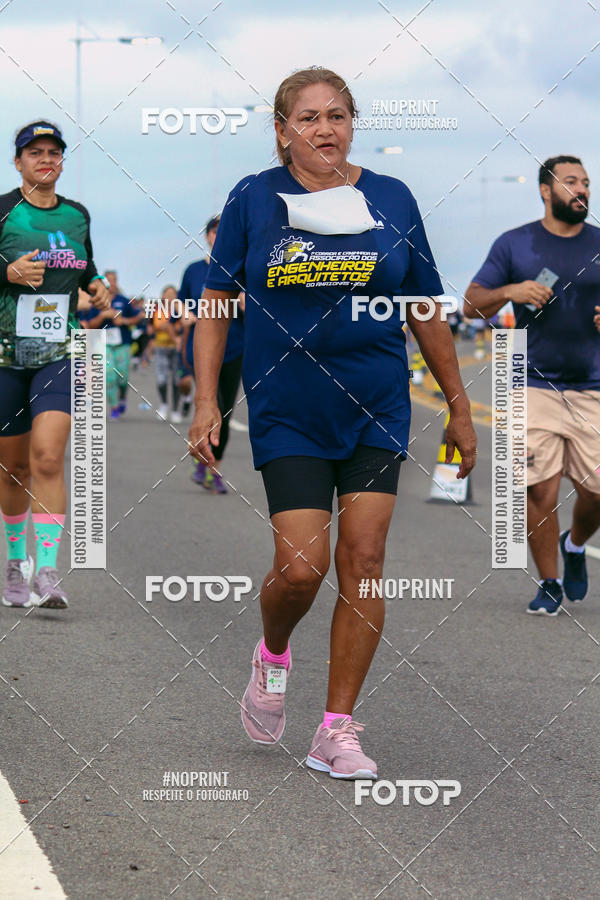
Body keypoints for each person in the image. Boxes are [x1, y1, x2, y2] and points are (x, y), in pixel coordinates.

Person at [189, 67, 476, 778]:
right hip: (288, 407)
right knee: (300, 568)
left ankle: (336, 729)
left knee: (365, 561)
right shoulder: (255, 197)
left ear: (354, 123)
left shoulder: (390, 197)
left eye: (337, 115)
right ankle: (273, 655)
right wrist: (205, 401)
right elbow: (218, 303)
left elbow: (424, 308)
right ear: (282, 130)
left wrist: (461, 406)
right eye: (308, 117)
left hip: (376, 404)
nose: (324, 128)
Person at [465, 155, 600, 615]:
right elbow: (470, 305)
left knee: (597, 491)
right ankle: (549, 581)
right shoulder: (515, 244)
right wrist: (511, 291)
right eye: (571, 182)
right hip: (532, 384)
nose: (581, 189)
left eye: (586, 182)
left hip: (594, 386)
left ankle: (575, 543)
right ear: (546, 190)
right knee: (538, 490)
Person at [0, 120, 110, 608]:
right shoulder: (5, 211)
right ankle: (14, 565)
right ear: (18, 161)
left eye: (54, 152)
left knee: (47, 455)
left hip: (59, 353)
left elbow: (82, 265)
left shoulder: (77, 215)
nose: (46, 159)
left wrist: (97, 283)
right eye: (36, 152)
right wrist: (7, 271)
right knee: (12, 468)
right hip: (5, 354)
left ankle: (47, 571)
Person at [179, 215, 244, 492]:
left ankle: (211, 464)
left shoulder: (242, 269)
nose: (220, 236)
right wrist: (187, 316)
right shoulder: (194, 270)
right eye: (216, 231)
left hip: (235, 348)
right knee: (210, 405)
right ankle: (207, 466)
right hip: (202, 350)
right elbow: (180, 304)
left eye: (225, 231)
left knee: (226, 414)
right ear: (207, 236)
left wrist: (245, 301)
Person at [79, 270, 143, 419]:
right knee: (108, 375)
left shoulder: (123, 300)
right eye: (108, 281)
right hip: (103, 344)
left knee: (122, 376)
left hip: (122, 344)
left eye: (113, 280)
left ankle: (122, 397)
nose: (111, 284)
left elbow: (137, 317)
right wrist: (103, 316)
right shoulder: (95, 302)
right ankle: (114, 406)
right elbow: (89, 325)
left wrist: (124, 321)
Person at [148, 285, 181, 422]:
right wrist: (169, 326)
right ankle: (163, 405)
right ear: (162, 296)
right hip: (161, 347)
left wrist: (167, 326)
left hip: (177, 349)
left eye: (172, 294)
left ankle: (175, 410)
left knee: (176, 380)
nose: (169, 297)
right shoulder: (156, 309)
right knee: (162, 379)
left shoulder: (180, 310)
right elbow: (153, 327)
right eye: (167, 294)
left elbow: (181, 326)